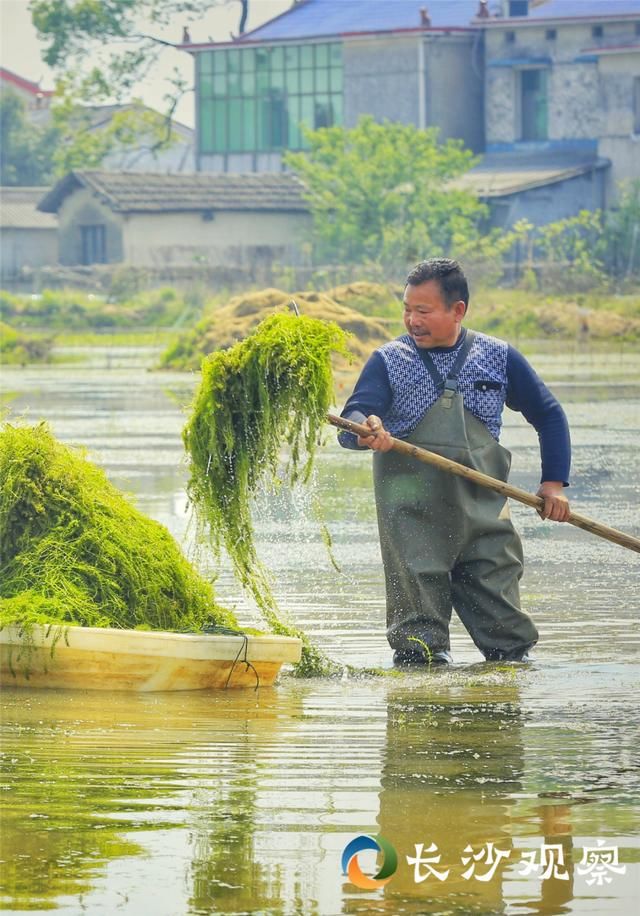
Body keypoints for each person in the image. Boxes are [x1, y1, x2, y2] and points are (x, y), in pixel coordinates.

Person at [338, 258, 571, 666]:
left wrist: (553, 484)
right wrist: (367, 429)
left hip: (484, 518)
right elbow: (351, 421)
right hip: (412, 522)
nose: (412, 320)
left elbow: (549, 415)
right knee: (420, 648)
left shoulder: (497, 357)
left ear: (457, 310)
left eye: (423, 311)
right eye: (407, 309)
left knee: (509, 645)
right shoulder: (389, 360)